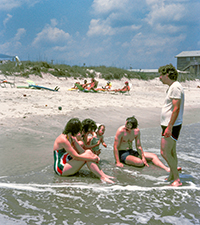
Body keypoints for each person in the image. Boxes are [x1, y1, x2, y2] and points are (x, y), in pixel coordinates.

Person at [53, 118, 114, 183]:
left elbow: (83, 151)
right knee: (89, 157)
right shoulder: (63, 139)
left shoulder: (71, 137)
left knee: (88, 152)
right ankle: (102, 177)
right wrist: (92, 158)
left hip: (69, 163)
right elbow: (76, 156)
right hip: (61, 169)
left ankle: (103, 175)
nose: (79, 133)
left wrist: (93, 156)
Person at [159, 64, 184, 187]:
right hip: (169, 124)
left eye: (161, 75)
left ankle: (177, 179)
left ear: (167, 75)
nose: (160, 77)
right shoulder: (172, 87)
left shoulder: (175, 87)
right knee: (172, 152)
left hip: (171, 125)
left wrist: (169, 126)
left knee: (165, 152)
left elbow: (176, 108)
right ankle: (173, 175)